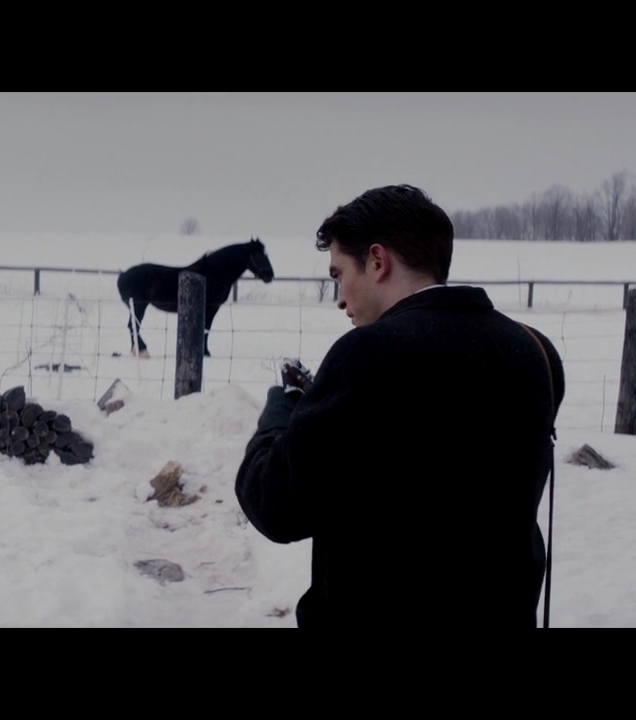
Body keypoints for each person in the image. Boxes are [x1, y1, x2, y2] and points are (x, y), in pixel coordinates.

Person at [234, 184, 565, 628]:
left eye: (338, 274)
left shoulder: (368, 353)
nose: (340, 298)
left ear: (377, 260)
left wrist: (281, 411)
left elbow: (275, 505)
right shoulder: (533, 350)